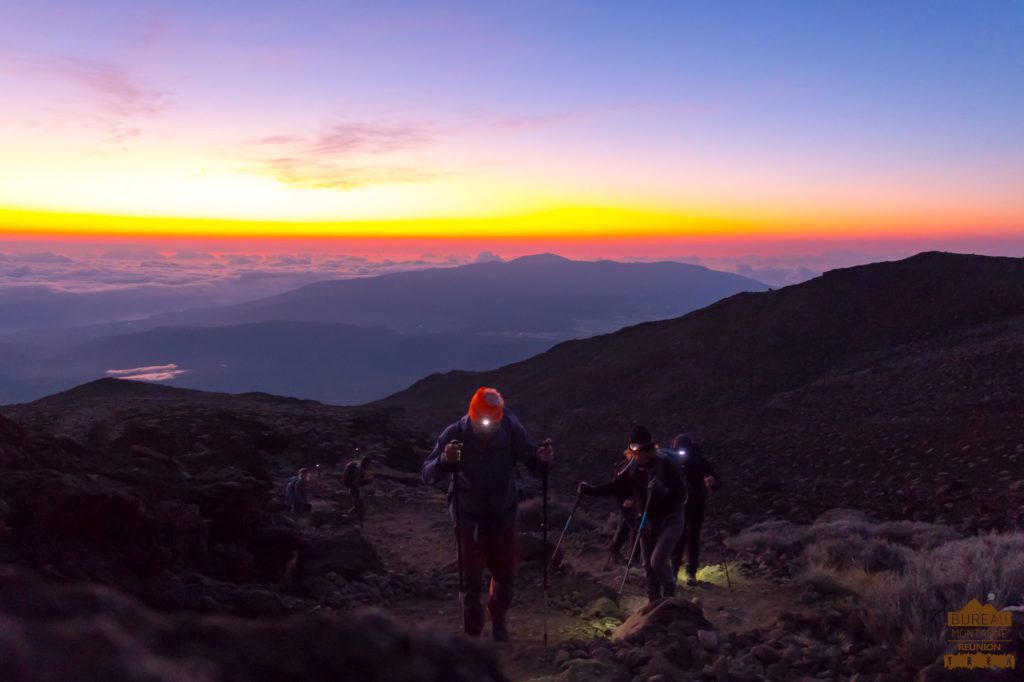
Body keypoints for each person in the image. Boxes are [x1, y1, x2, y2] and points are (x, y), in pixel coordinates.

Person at [421, 387, 554, 642]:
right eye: (483, 421)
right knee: (470, 580)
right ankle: (472, 632)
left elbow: (535, 464)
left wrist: (544, 459)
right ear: (472, 414)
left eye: (494, 422)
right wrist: (445, 462)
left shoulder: (511, 428)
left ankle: (498, 617)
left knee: (505, 576)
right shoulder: (456, 434)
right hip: (468, 518)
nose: (488, 427)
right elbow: (427, 473)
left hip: (503, 517)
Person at [579, 426, 686, 603]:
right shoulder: (633, 466)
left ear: (650, 449)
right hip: (647, 519)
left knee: (657, 560)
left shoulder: (666, 465)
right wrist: (590, 490)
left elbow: (682, 495)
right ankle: (654, 602)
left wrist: (664, 491)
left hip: (671, 518)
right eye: (633, 452)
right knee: (648, 566)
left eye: (639, 452)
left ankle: (670, 596)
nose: (636, 456)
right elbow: (615, 486)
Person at [670, 433, 722, 586]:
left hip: (696, 503)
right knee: (678, 536)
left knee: (692, 536)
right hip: (679, 504)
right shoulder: (672, 460)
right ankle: (674, 570)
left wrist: (712, 482)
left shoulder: (699, 459)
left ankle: (690, 571)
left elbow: (716, 479)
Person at [602, 450, 637, 569]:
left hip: (628, 498)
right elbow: (618, 484)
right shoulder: (628, 465)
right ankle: (632, 557)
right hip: (624, 499)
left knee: (626, 526)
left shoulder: (628, 463)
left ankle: (618, 552)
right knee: (634, 526)